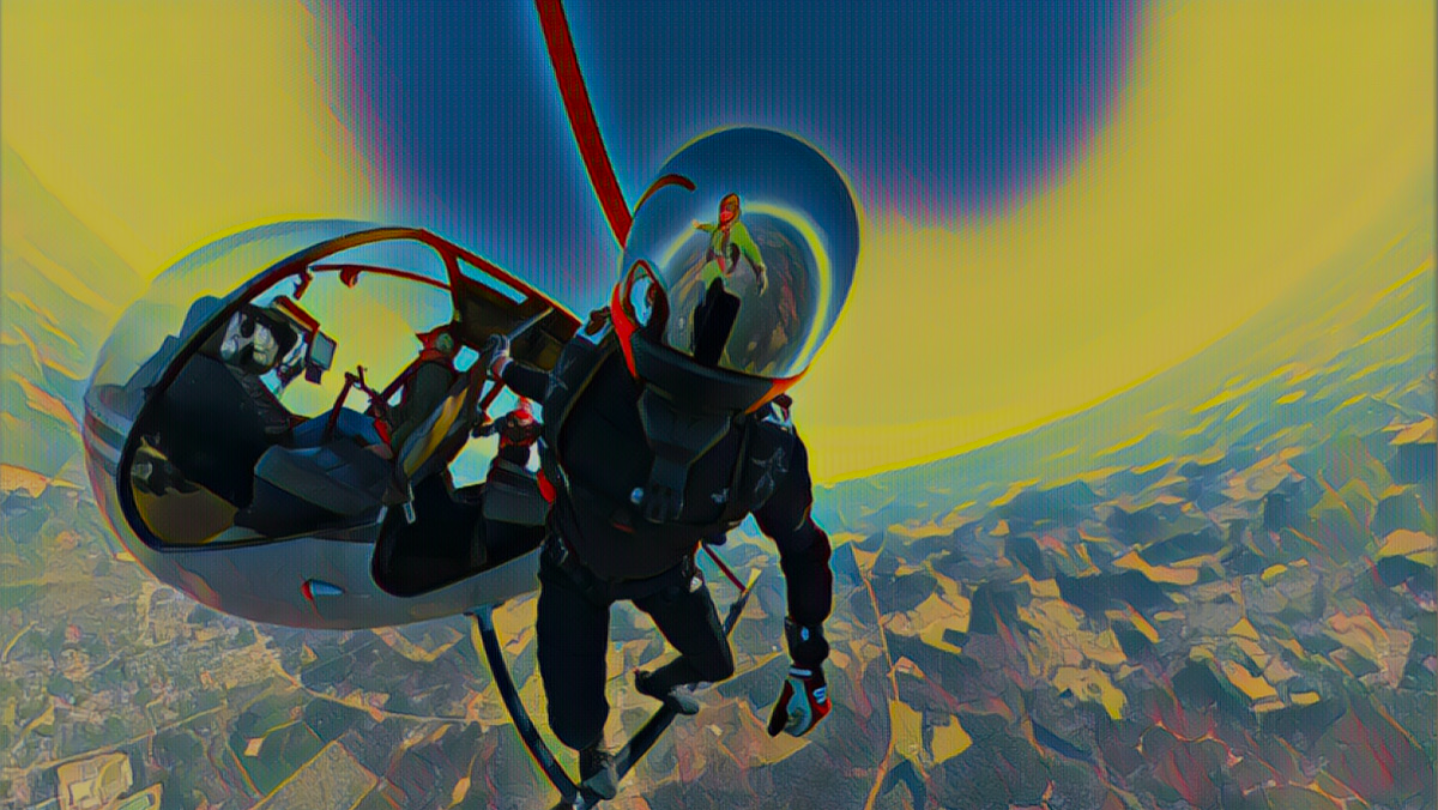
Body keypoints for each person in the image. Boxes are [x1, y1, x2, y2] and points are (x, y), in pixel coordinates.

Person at [483, 128, 861, 799]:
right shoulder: (764, 451)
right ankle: (592, 745)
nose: (719, 327)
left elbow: (552, 387)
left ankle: (650, 690)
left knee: (713, 664)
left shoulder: (596, 359)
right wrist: (808, 662)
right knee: (577, 721)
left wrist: (506, 369)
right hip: (601, 572)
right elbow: (804, 549)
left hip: (621, 569)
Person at [385, 325, 461, 456]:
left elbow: (420, 420)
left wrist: (392, 447)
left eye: (427, 342)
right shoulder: (434, 372)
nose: (424, 347)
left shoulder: (433, 372)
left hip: (400, 448)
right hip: (400, 438)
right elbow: (411, 411)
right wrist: (387, 412)